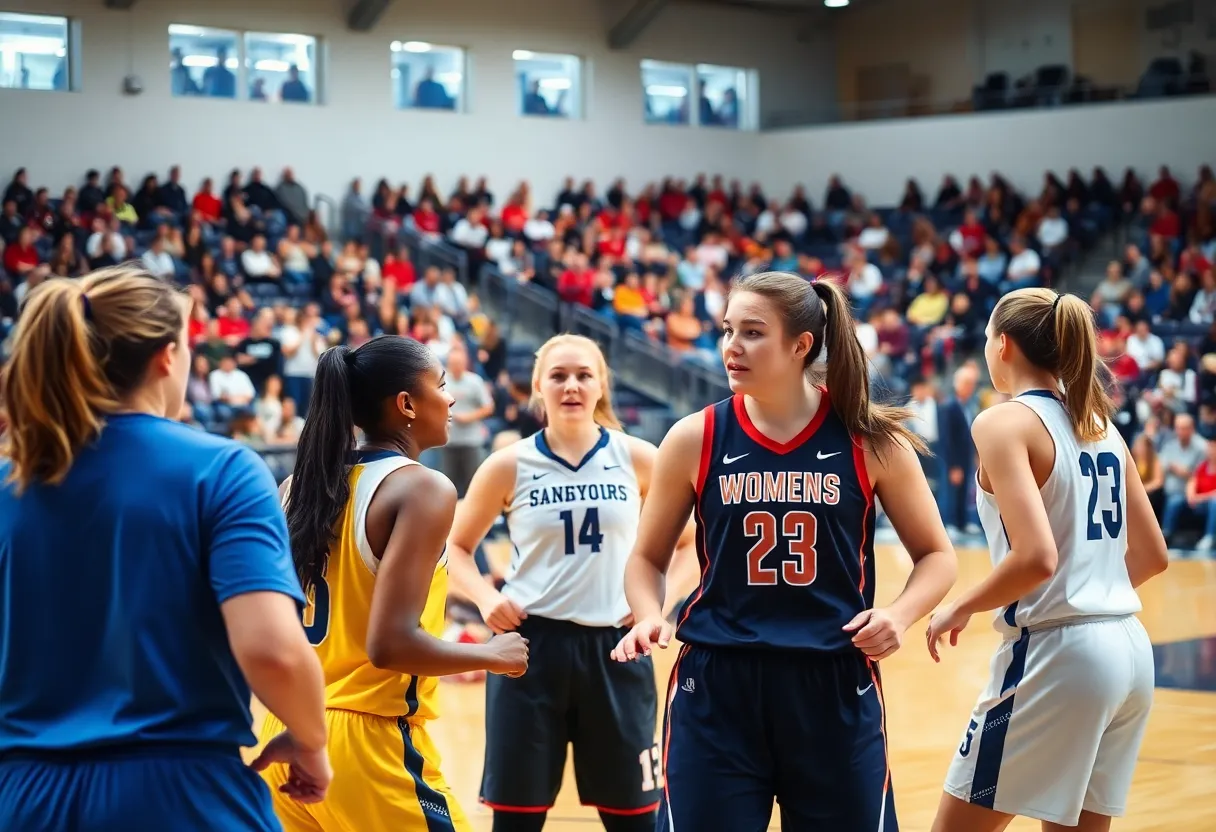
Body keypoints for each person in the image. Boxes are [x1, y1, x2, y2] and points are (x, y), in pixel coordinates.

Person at [612, 271, 958, 832]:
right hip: (716, 686)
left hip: (832, 681)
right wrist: (650, 613)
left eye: (752, 333)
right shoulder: (694, 437)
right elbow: (646, 558)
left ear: (801, 345)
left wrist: (898, 615)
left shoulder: (871, 440)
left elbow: (937, 555)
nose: (732, 346)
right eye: (728, 330)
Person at [0, 267, 330, 830]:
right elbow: (272, 651)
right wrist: (310, 740)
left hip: (22, 797)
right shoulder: (222, 471)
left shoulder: (11, 479)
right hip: (178, 792)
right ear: (167, 357)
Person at [258, 335, 529, 832]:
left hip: (285, 733)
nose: (451, 399)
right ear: (406, 404)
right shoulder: (422, 487)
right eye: (441, 386)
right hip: (368, 747)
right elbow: (390, 645)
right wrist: (492, 654)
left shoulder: (295, 487)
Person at [926, 288, 1170, 832]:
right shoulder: (1101, 425)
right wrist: (1090, 593)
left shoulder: (1002, 422)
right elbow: (1153, 554)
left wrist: (959, 606)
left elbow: (1036, 558)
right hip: (1130, 652)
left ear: (1003, 345)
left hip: (1058, 656)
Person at [446, 333, 696, 832]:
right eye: (558, 376)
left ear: (601, 385)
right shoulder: (508, 464)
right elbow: (455, 548)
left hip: (617, 647)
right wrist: (486, 597)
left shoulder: (638, 457)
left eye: (584, 375)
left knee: (634, 819)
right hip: (528, 650)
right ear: (539, 387)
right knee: (517, 819)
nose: (571, 386)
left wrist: (656, 606)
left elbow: (694, 545)